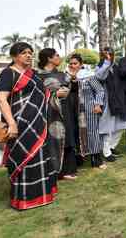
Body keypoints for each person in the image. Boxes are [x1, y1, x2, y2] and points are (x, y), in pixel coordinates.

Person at [0, 42, 58, 210]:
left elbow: (44, 93)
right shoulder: (8, 74)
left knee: (40, 157)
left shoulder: (33, 74)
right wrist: (11, 123)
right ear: (14, 56)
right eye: (24, 53)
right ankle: (24, 199)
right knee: (24, 159)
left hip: (38, 123)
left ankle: (43, 194)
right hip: (20, 125)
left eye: (30, 52)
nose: (29, 55)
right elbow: (1, 99)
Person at [37, 48, 72, 178]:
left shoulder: (62, 74)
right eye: (56, 55)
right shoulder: (37, 76)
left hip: (63, 111)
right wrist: (54, 95)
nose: (59, 57)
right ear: (49, 58)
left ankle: (65, 170)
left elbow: (69, 89)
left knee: (65, 138)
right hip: (47, 114)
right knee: (49, 141)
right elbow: (36, 95)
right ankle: (50, 171)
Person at [70, 54, 107, 169]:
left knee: (92, 133)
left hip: (89, 109)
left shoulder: (89, 76)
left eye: (75, 63)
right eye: (70, 63)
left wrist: (97, 104)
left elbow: (100, 90)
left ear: (81, 64)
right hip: (73, 110)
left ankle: (96, 159)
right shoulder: (66, 77)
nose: (72, 65)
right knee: (76, 133)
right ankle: (79, 158)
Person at [95, 47, 126, 162]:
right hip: (107, 101)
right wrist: (106, 63)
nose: (108, 55)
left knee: (121, 125)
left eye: (110, 53)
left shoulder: (115, 66)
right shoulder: (100, 66)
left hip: (119, 100)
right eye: (106, 54)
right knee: (107, 127)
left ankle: (111, 146)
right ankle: (106, 152)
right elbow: (100, 76)